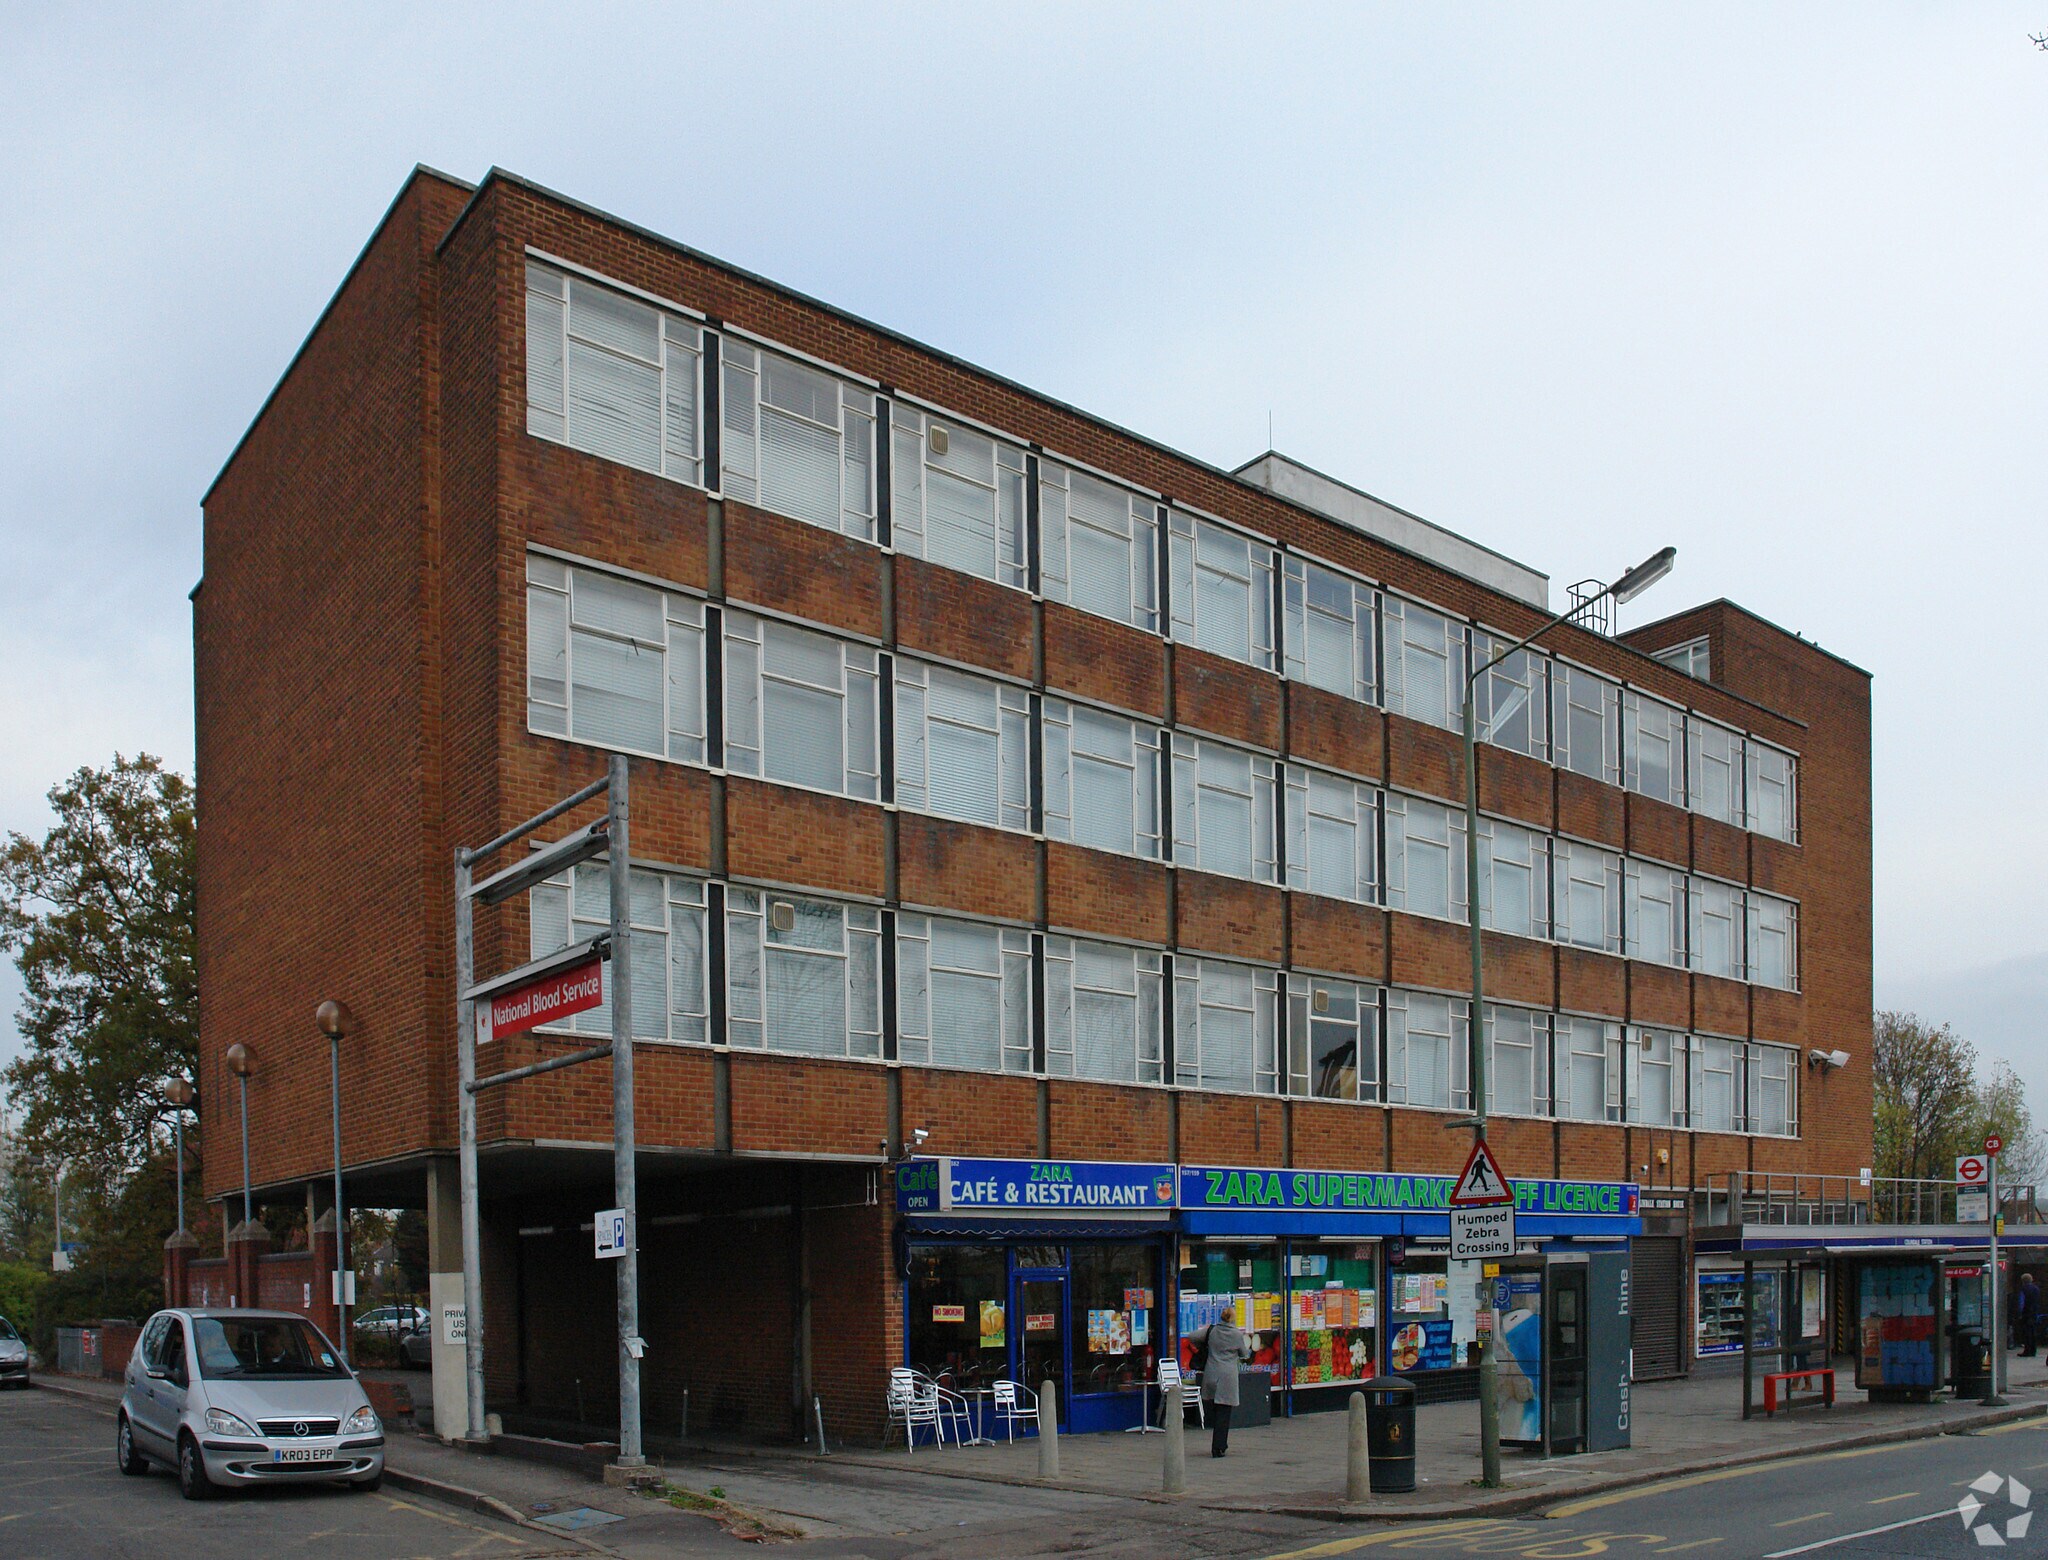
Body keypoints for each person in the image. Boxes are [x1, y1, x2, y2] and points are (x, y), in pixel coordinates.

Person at [1199, 1314, 1253, 1457]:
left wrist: (1206, 1346)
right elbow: (1244, 1354)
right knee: (1224, 1412)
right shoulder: (1236, 1334)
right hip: (1227, 1377)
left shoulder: (1212, 1331)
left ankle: (1219, 1444)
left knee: (1217, 1410)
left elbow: (1193, 1336)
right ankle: (1219, 1447)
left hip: (1211, 1374)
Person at [2017, 1273, 2039, 1358]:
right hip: (2034, 1313)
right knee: (2033, 1332)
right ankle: (2033, 1350)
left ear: (2023, 1281)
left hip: (2026, 1313)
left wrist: (2020, 1313)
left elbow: (2021, 1303)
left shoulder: (2023, 1289)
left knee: (2026, 1333)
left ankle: (2027, 1351)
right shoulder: (2036, 1289)